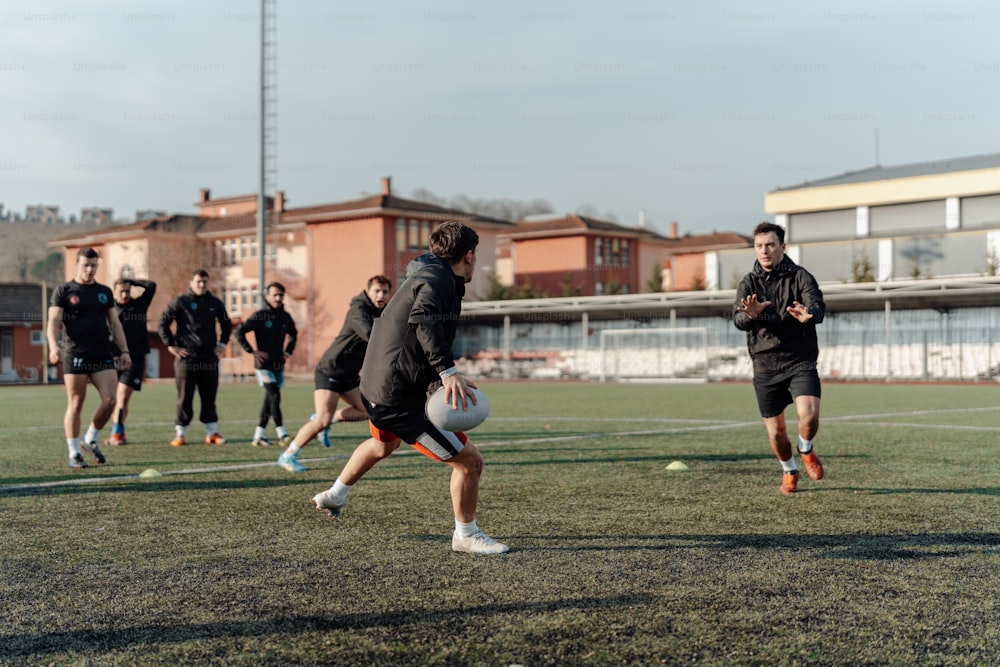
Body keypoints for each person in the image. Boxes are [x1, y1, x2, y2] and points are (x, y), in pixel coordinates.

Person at [311, 221, 509, 555]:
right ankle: (466, 535)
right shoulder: (438, 279)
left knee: (381, 446)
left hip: (376, 388)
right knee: (470, 462)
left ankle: (335, 494)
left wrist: (438, 379)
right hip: (397, 398)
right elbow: (423, 319)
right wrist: (447, 372)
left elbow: (411, 341)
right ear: (470, 256)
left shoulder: (426, 272)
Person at [734, 221, 826, 494]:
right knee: (776, 433)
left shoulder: (801, 277)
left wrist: (810, 314)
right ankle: (789, 470)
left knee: (808, 416)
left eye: (770, 244)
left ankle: (806, 449)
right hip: (765, 364)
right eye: (759, 245)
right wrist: (750, 314)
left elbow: (817, 306)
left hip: (800, 360)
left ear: (782, 247)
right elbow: (738, 319)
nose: (764, 250)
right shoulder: (747, 282)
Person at [277, 275, 391, 472]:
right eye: (377, 291)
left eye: (385, 292)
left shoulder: (380, 311)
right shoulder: (359, 308)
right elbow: (371, 335)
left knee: (368, 411)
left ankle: (331, 420)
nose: (381, 295)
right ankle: (288, 455)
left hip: (349, 374)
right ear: (368, 291)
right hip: (331, 369)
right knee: (321, 420)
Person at [47, 247, 132, 468]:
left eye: (93, 265)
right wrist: (53, 345)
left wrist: (124, 351)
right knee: (76, 402)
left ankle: (90, 438)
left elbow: (114, 323)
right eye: (85, 265)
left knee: (111, 400)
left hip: (102, 352)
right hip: (74, 353)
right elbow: (54, 321)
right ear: (77, 264)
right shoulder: (63, 291)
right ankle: (74, 452)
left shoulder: (104, 292)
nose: (89, 269)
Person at [158, 269, 232, 447]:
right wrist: (170, 345)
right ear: (191, 282)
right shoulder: (181, 301)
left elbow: (226, 323)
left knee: (209, 396)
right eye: (198, 282)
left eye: (204, 282)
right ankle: (180, 434)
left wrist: (222, 344)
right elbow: (163, 321)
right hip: (187, 358)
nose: (201, 285)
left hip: (209, 358)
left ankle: (212, 433)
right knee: (185, 396)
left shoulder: (215, 303)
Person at [234, 282, 298, 447]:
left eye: (280, 295)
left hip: (278, 365)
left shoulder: (285, 316)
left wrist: (288, 351)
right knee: (275, 395)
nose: (278, 298)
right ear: (267, 296)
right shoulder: (260, 315)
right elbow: (239, 331)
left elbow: (293, 333)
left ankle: (258, 436)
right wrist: (252, 351)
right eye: (274, 294)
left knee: (269, 400)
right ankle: (282, 433)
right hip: (263, 366)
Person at [105, 277, 157, 446]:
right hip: (113, 359)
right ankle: (119, 431)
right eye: (121, 291)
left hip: (135, 358)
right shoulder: (108, 309)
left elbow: (151, 285)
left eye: (127, 291)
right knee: (113, 399)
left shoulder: (139, 305)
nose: (125, 294)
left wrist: (132, 281)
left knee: (122, 396)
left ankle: (117, 433)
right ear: (114, 292)